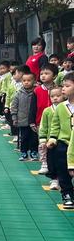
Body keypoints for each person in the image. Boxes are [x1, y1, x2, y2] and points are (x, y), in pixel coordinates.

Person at [48, 73, 74, 208]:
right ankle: (67, 194)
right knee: (63, 170)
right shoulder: (61, 107)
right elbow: (55, 125)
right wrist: (52, 138)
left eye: (67, 86)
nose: (63, 89)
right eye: (63, 86)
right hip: (64, 143)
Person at [29, 64, 58, 173]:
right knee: (42, 144)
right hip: (40, 121)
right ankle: (44, 163)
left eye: (47, 73)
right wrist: (31, 121)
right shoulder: (37, 90)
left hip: (56, 122)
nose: (43, 76)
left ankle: (53, 164)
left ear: (54, 76)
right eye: (41, 74)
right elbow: (32, 107)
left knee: (53, 143)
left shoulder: (58, 90)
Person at [40, 86, 64, 191]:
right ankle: (54, 179)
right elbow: (43, 126)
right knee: (51, 161)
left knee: (62, 161)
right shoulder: (47, 111)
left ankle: (61, 179)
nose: (55, 98)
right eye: (52, 96)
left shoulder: (65, 109)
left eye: (58, 96)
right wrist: (43, 139)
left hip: (63, 140)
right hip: (51, 141)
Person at [11, 72, 38, 161]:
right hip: (22, 120)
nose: (26, 82)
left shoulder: (36, 92)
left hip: (34, 121)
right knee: (24, 138)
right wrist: (14, 118)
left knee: (34, 138)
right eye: (24, 80)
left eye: (29, 80)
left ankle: (34, 152)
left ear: (34, 81)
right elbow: (14, 106)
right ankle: (24, 152)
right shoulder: (19, 93)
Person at [4, 65, 31, 142]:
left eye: (15, 74)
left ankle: (22, 136)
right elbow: (8, 95)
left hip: (23, 108)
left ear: (22, 74)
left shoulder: (26, 85)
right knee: (13, 121)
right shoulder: (12, 83)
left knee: (23, 122)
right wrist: (6, 106)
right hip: (13, 106)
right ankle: (16, 134)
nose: (14, 76)